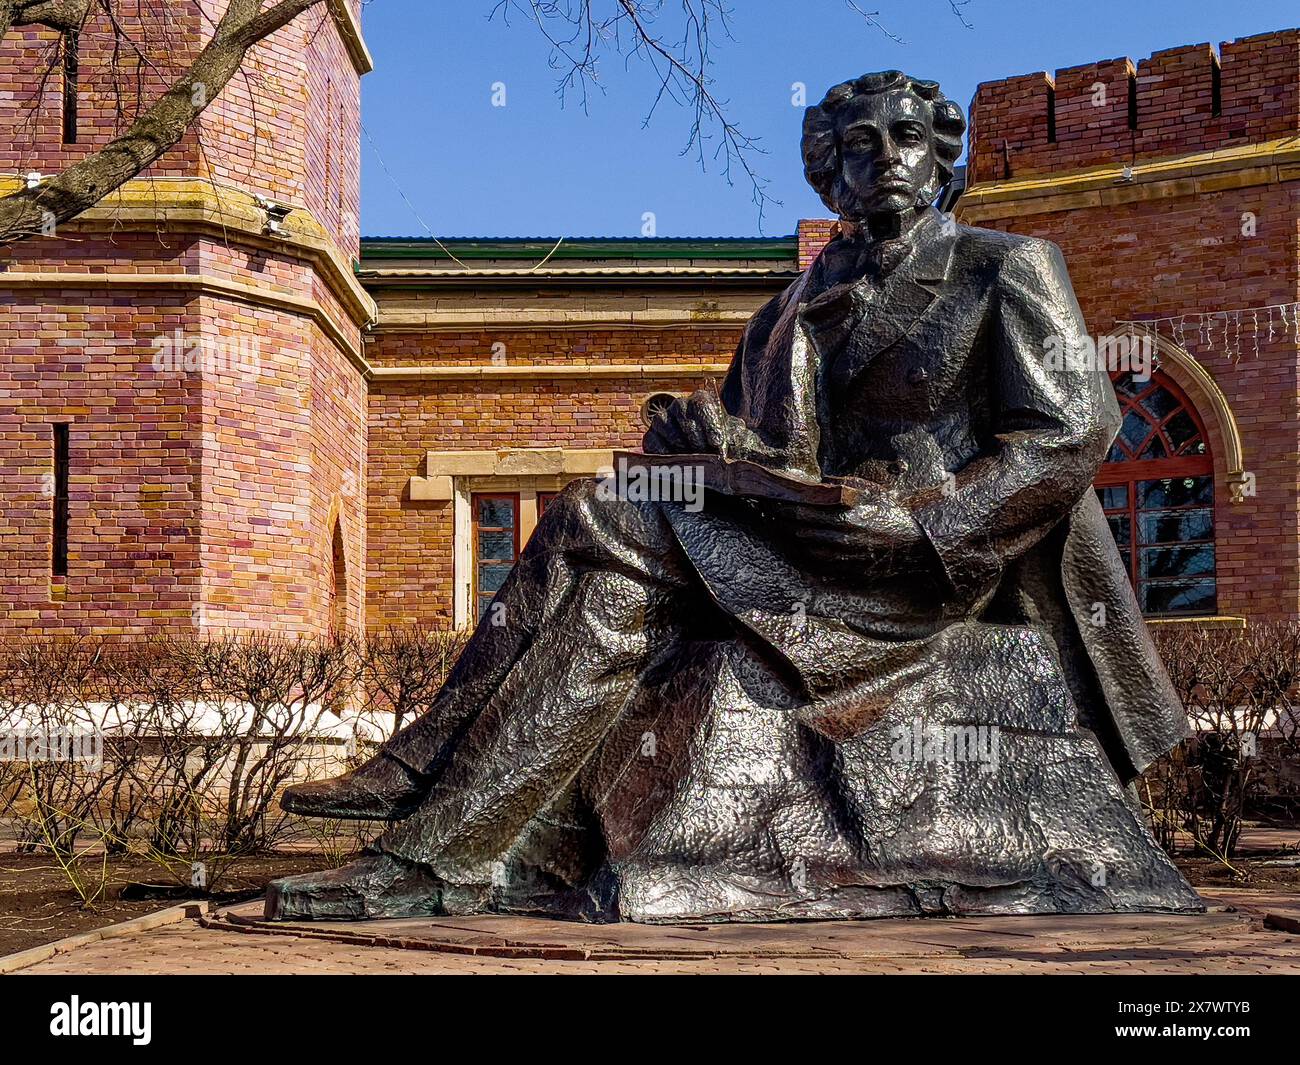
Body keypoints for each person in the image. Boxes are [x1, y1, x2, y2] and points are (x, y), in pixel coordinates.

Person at [267, 71, 1194, 922]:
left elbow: (1071, 429)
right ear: (830, 175)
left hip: (930, 573)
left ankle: (423, 767)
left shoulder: (1006, 266)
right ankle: (436, 860)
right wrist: (713, 444)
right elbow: (778, 454)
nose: (884, 160)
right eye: (857, 145)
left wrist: (923, 521)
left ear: (940, 155)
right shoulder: (789, 308)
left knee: (605, 514)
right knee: (614, 574)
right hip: (810, 548)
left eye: (905, 137)